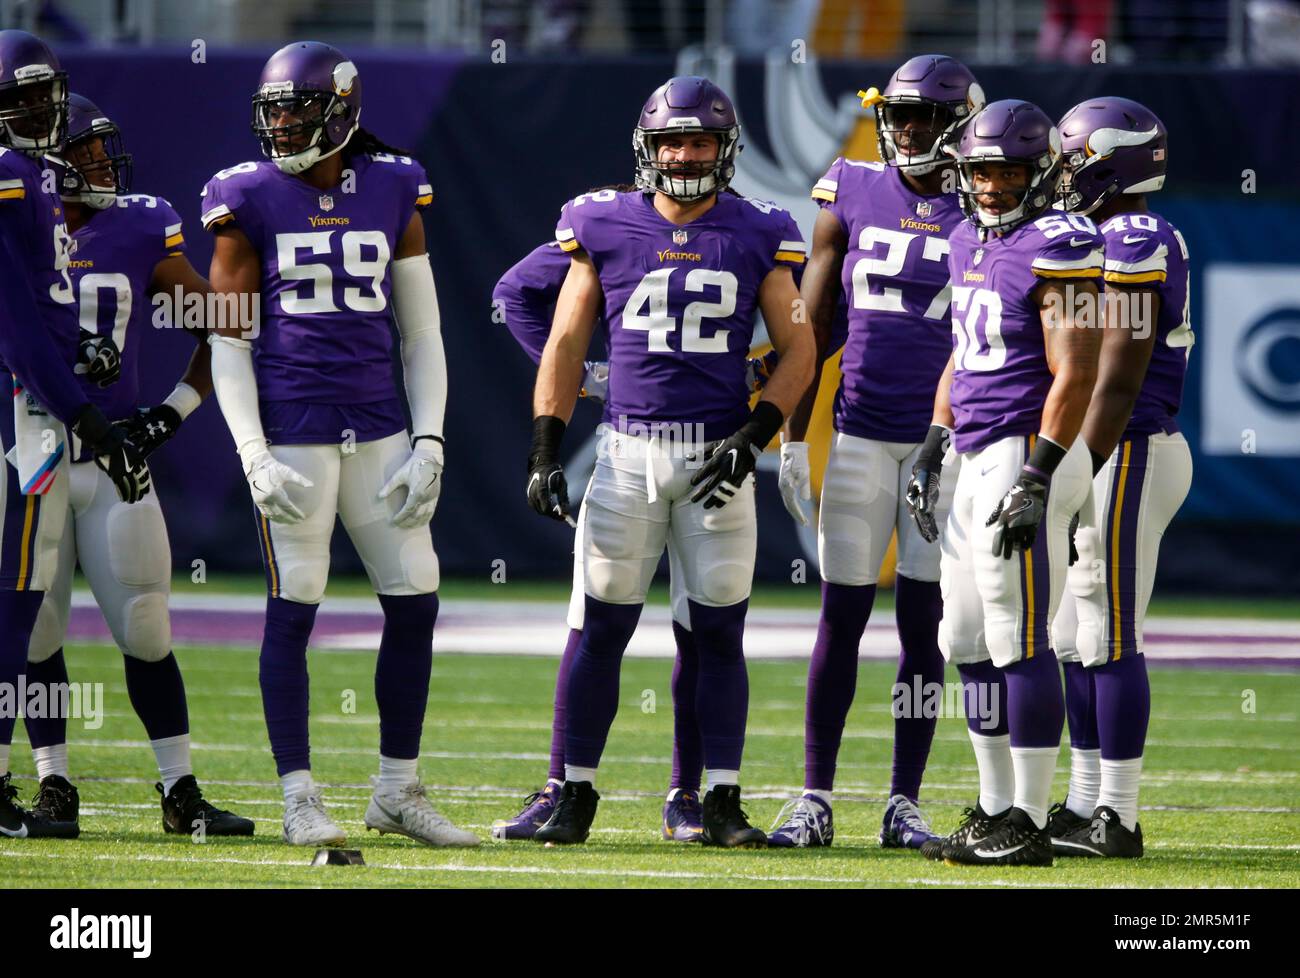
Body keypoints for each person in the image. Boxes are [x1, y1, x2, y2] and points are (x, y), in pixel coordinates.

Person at [525, 75, 815, 847]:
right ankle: (573, 796)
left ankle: (717, 799)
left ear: (726, 150)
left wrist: (753, 439)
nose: (686, 155)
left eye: (701, 142)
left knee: (719, 633)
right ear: (647, 149)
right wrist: (547, 446)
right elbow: (563, 340)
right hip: (625, 456)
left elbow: (800, 350)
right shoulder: (601, 221)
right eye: (672, 142)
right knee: (600, 628)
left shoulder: (760, 229)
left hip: (715, 457)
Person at [202, 41, 475, 848]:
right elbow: (227, 343)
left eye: (299, 108)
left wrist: (430, 439)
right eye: (274, 110)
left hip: (380, 426)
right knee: (295, 607)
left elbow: (422, 333)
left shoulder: (395, 184)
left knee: (416, 599)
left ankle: (397, 789)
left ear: (344, 110)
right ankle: (298, 794)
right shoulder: (244, 197)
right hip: (294, 430)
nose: (283, 125)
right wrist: (251, 449)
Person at [19, 93, 252, 838]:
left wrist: (172, 411)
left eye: (98, 149)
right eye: (83, 152)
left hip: (114, 455)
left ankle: (180, 791)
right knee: (35, 633)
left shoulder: (141, 224)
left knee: (148, 627)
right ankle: (53, 785)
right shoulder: (16, 220)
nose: (99, 164)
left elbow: (225, 322)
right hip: (31, 454)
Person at [768, 54, 983, 850]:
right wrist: (792, 435)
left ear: (962, 125)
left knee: (924, 627)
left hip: (947, 449)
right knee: (841, 618)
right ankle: (814, 796)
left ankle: (905, 800)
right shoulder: (850, 187)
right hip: (858, 436)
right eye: (900, 116)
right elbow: (811, 329)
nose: (910, 130)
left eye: (927, 117)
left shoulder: (990, 204)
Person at [911, 99, 1101, 866]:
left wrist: (1037, 475)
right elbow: (964, 351)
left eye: (1009, 171)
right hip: (976, 448)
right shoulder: (964, 238)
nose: (991, 185)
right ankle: (993, 807)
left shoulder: (1063, 243)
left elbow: (1078, 369)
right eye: (982, 169)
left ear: (1043, 173)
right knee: (960, 637)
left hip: (1029, 448)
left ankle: (1026, 818)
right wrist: (935, 438)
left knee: (1017, 635)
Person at [0, 29, 147, 839]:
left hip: (36, 402)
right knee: (17, 604)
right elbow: (15, 327)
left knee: (23, 604)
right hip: (22, 412)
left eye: (42, 95)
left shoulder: (33, 175)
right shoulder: (9, 178)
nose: (35, 112)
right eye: (15, 99)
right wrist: (85, 411)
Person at [1047, 97, 1192, 859]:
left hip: (1128, 448)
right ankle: (1081, 802)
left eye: (1075, 162)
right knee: (1072, 638)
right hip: (1104, 451)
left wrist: (1072, 468)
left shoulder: (1135, 236)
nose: (1062, 176)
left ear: (1114, 162)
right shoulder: (1099, 235)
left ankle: (1121, 815)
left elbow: (1117, 381)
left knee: (1107, 632)